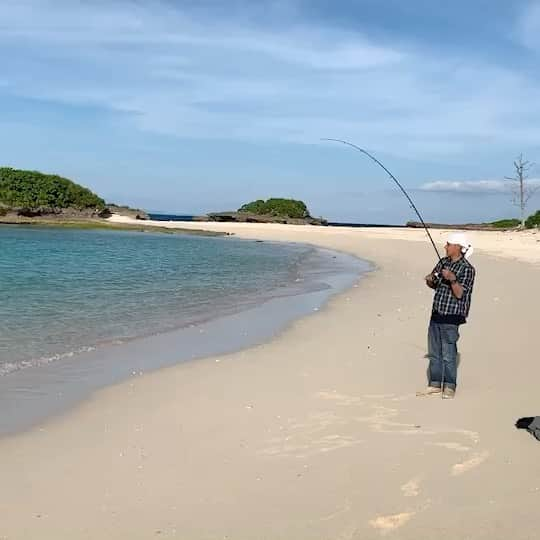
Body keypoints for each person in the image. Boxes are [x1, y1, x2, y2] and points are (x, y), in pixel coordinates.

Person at [421, 233, 476, 399]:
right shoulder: (443, 262)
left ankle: (450, 386)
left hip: (452, 316)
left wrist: (452, 279)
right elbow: (434, 284)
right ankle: (435, 384)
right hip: (436, 313)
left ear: (458, 247)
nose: (445, 247)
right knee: (434, 352)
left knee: (448, 353)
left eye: (448, 244)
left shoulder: (468, 269)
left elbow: (460, 294)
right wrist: (430, 279)